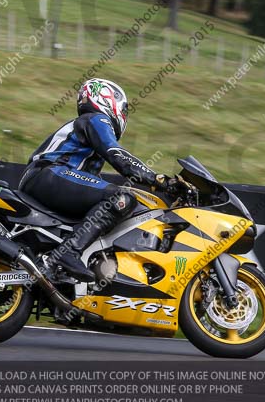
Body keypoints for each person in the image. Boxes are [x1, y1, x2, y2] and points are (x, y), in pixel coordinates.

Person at [19, 78, 173, 282]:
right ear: (108, 99)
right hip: (50, 174)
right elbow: (116, 153)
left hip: (45, 178)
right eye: (123, 109)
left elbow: (91, 179)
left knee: (113, 198)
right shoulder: (96, 119)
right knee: (121, 199)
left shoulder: (85, 127)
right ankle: (69, 251)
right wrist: (157, 178)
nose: (123, 114)